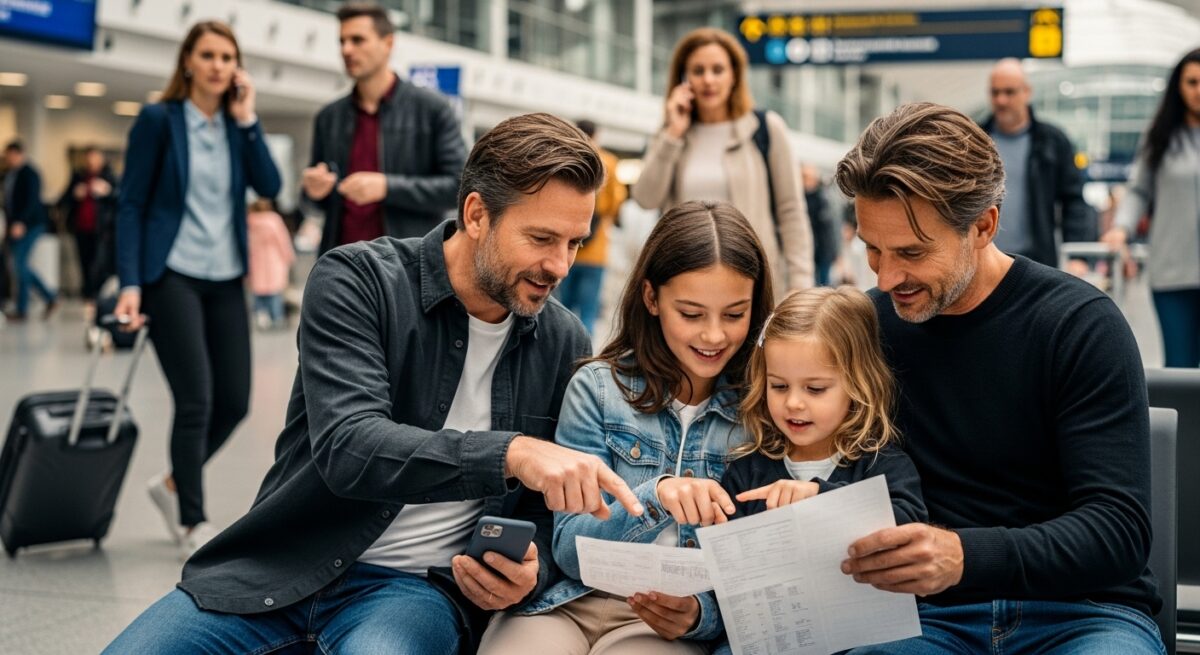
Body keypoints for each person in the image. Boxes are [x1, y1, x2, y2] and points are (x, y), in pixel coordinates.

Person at [104, 112, 648, 655]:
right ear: (477, 214)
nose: (560, 266)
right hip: (281, 566)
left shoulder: (561, 338)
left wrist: (531, 571)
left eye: (575, 242)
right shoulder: (358, 281)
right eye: (541, 238)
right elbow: (350, 447)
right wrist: (511, 453)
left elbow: (544, 511)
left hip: (413, 593)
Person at [833, 103, 1161, 653]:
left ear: (983, 225)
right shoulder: (866, 327)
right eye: (872, 249)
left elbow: (1118, 530)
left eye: (912, 252)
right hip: (924, 621)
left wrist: (964, 555)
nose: (887, 278)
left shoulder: (1079, 325)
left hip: (1083, 613)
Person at [478, 200, 773, 655]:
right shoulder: (599, 389)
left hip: (662, 625)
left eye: (734, 315)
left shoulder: (763, 409)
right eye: (692, 314)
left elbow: (759, 569)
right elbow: (571, 551)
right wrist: (656, 497)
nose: (714, 336)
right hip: (569, 602)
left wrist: (700, 616)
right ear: (652, 298)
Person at [113, 20, 282, 555]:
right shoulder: (158, 120)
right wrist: (131, 283)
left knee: (234, 401)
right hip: (172, 276)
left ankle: (169, 485)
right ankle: (191, 517)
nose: (217, 66)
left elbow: (271, 186)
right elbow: (132, 204)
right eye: (207, 55)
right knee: (196, 401)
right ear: (188, 61)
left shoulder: (237, 126)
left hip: (226, 275)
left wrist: (249, 118)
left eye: (227, 57)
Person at [720, 286, 926, 522]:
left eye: (815, 389)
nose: (793, 403)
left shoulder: (883, 466)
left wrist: (820, 497)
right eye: (779, 386)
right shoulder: (745, 473)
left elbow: (909, 525)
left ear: (858, 385)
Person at [632, 27, 813, 296]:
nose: (708, 80)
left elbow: (791, 211)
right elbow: (645, 198)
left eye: (718, 70)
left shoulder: (765, 128)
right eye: (698, 70)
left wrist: (800, 285)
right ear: (683, 78)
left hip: (753, 283)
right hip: (684, 281)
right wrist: (672, 134)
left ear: (734, 76)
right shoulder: (671, 133)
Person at [301, 2, 467, 254]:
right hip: (344, 264)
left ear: (388, 43)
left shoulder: (432, 109)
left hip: (409, 265)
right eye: (342, 41)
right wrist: (314, 190)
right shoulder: (329, 117)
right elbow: (317, 202)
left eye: (357, 40)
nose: (346, 49)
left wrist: (387, 187)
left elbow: (459, 186)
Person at [1103, 48, 1200, 368]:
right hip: (1172, 273)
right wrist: (1121, 227)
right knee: (1181, 366)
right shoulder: (1160, 137)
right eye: (1192, 82)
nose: (1199, 90)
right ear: (1179, 87)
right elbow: (1138, 190)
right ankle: (1187, 422)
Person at [982, 58, 1094, 274]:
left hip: (1035, 261)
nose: (1001, 100)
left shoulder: (1052, 142)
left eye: (1009, 92)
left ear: (1027, 92)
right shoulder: (975, 140)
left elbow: (1074, 201)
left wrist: (1077, 256)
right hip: (983, 258)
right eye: (995, 93)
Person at [556, 119, 626, 336]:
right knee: (588, 310)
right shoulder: (609, 162)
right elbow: (617, 201)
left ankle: (560, 353)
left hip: (563, 249)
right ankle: (582, 356)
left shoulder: (564, 159)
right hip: (596, 253)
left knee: (561, 309)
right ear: (596, 135)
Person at [3, 140, 57, 321]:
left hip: (30, 225)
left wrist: (21, 222)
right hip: (15, 226)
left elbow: (32, 201)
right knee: (19, 266)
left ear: (18, 154)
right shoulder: (10, 174)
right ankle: (46, 298)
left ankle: (26, 307)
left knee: (20, 265)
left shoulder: (30, 174)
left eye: (10, 155)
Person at [59, 146, 118, 308]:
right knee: (84, 262)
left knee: (98, 264)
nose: (92, 162)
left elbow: (121, 201)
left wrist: (108, 192)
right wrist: (74, 194)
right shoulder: (79, 177)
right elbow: (63, 199)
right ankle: (88, 298)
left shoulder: (110, 177)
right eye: (89, 158)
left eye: (95, 158)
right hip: (81, 227)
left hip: (102, 230)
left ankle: (97, 297)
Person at [247, 197, 294, 330]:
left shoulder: (249, 220)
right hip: (273, 257)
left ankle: (261, 316)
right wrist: (288, 256)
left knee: (258, 290)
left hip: (255, 258)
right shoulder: (273, 220)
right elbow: (282, 239)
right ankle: (276, 317)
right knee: (275, 290)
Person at [802, 165, 839, 286]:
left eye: (806, 177)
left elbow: (831, 229)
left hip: (824, 251)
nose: (803, 181)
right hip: (809, 251)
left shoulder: (823, 199)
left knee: (823, 285)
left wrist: (834, 252)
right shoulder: (802, 198)